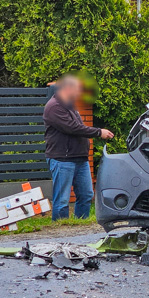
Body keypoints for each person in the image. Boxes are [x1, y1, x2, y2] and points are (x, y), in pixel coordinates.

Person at [43, 75, 114, 220]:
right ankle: (60, 229)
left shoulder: (68, 105)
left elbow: (79, 127)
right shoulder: (54, 107)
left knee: (86, 194)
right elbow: (73, 128)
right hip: (62, 159)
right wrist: (99, 132)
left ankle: (79, 224)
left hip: (79, 159)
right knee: (62, 199)